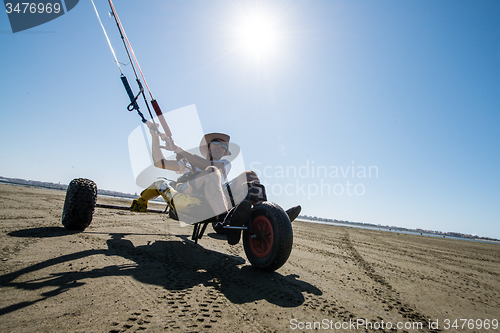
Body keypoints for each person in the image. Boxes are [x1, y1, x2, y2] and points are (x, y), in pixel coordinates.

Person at [131, 121, 301, 245]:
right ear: (208, 146)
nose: (221, 146)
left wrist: (180, 150)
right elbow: (158, 162)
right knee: (212, 173)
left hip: (217, 196)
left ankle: (266, 214)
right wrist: (155, 137)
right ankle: (224, 222)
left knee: (250, 174)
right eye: (217, 143)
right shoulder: (186, 163)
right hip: (189, 192)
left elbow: (210, 167)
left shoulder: (224, 164)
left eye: (224, 146)